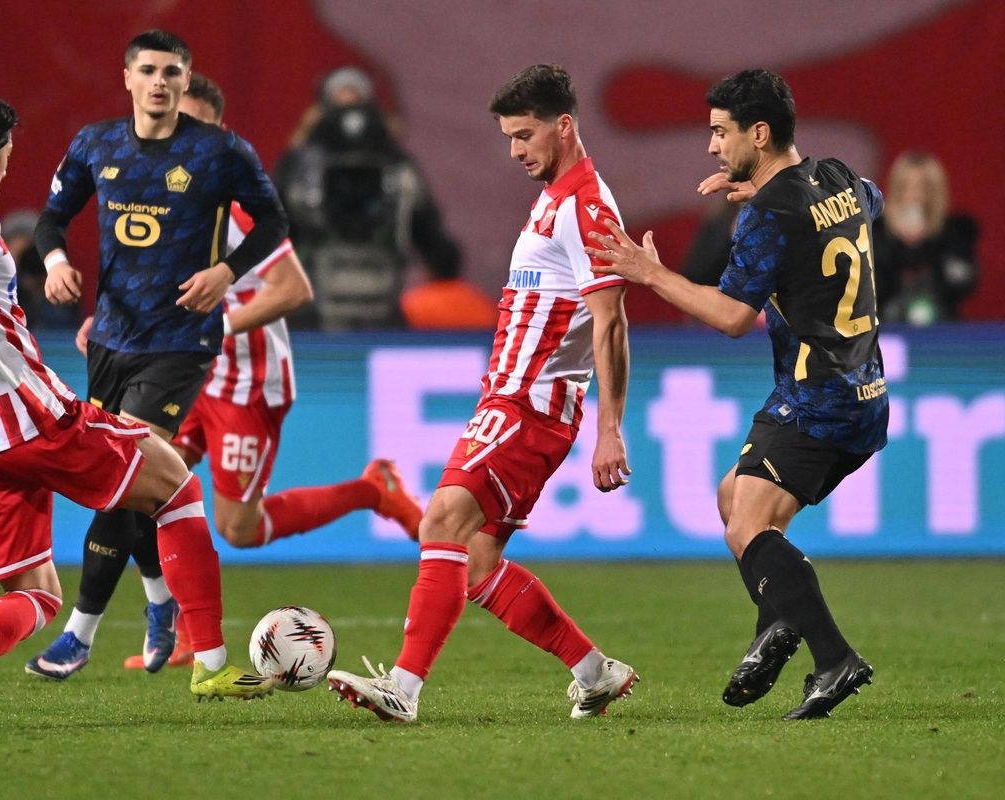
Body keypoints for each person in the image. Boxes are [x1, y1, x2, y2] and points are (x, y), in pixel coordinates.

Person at [0, 91, 274, 728]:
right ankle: (211, 662)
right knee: (173, 485)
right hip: (27, 417)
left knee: (38, 594)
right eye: (5, 156)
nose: (6, 171)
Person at [27, 73, 425, 676]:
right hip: (182, 374)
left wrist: (210, 327)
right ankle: (167, 626)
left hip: (246, 381)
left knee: (239, 527)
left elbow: (293, 289)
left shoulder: (235, 203)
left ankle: (374, 490)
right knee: (142, 486)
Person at [327, 64, 638, 723]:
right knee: (473, 561)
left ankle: (403, 689)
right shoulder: (556, 194)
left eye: (525, 135)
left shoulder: (585, 206)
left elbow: (611, 321)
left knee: (441, 520)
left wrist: (612, 427)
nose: (516, 150)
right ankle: (595, 671)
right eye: (508, 137)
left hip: (529, 407)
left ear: (565, 126)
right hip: (515, 402)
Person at [584, 68, 886, 720]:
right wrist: (771, 190)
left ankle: (832, 659)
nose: (713, 147)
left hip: (817, 397)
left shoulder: (766, 216)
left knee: (747, 525)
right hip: (866, 391)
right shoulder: (836, 177)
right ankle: (776, 627)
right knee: (734, 499)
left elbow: (728, 318)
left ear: (759, 131)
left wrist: (649, 272)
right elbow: (874, 200)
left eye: (721, 133)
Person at [23, 31, 289, 697]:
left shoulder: (220, 151)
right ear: (128, 78)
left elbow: (276, 224)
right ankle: (160, 598)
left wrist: (227, 271)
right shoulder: (96, 144)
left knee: (127, 467)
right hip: (113, 337)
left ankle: (79, 633)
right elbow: (51, 221)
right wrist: (55, 264)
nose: (161, 82)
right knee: (135, 485)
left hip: (181, 343)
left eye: (173, 72)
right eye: (149, 70)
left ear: (185, 79)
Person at [274, 66, 462, 331]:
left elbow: (435, 244)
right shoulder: (299, 166)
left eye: (356, 100)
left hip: (383, 305)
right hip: (314, 310)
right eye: (340, 101)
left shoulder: (398, 168)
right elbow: (270, 234)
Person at [872, 151, 978, 325]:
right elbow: (866, 286)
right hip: (887, 329)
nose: (915, 195)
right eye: (907, 186)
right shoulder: (874, 232)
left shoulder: (954, 233)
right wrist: (899, 246)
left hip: (941, 330)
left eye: (923, 187)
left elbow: (963, 281)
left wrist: (928, 245)